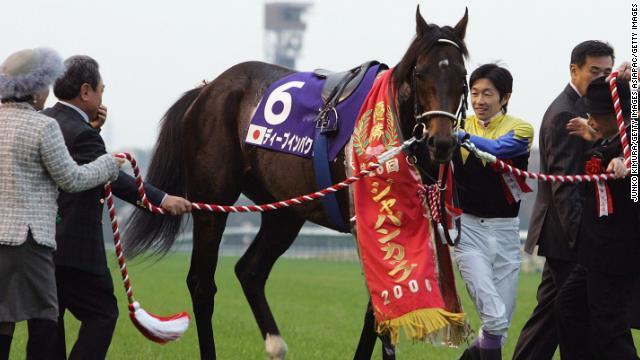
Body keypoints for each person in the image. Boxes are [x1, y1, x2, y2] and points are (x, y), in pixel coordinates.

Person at [40, 55, 192, 360]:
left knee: (48, 323)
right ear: (85, 92)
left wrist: (94, 131)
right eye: (100, 91)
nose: (101, 97)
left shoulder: (46, 121)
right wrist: (162, 199)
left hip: (42, 248)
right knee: (102, 313)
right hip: (75, 248)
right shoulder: (82, 134)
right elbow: (113, 176)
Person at [0, 48, 124, 360]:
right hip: (31, 241)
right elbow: (72, 178)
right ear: (35, 88)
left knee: (3, 321)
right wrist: (109, 165)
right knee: (45, 319)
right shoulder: (43, 126)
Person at [513, 40, 614, 360]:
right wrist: (583, 241)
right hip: (568, 237)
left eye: (608, 72)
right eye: (594, 71)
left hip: (570, 237)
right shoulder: (565, 114)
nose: (602, 79)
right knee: (585, 315)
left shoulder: (590, 109)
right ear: (574, 70)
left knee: (551, 318)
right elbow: (564, 186)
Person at [453, 64, 534, 360]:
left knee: (498, 328)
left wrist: (461, 138)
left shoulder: (521, 128)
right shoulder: (458, 124)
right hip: (468, 230)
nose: (479, 101)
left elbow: (499, 149)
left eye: (487, 93)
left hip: (505, 232)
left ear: (505, 97)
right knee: (495, 317)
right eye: (474, 93)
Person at [555, 76, 637, 359]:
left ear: (618, 114)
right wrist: (597, 137)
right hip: (594, 251)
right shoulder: (610, 139)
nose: (590, 119)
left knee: (609, 327)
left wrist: (626, 162)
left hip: (617, 252)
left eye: (596, 115)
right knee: (569, 305)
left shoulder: (631, 146)